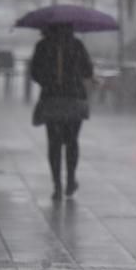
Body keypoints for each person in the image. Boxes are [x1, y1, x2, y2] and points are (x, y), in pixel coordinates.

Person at [30, 23, 93, 200]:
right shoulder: (77, 45)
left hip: (52, 99)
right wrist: (74, 73)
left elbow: (34, 73)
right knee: (72, 141)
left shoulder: (42, 46)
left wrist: (49, 80)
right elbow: (88, 71)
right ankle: (71, 180)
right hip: (74, 98)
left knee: (54, 143)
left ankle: (57, 185)